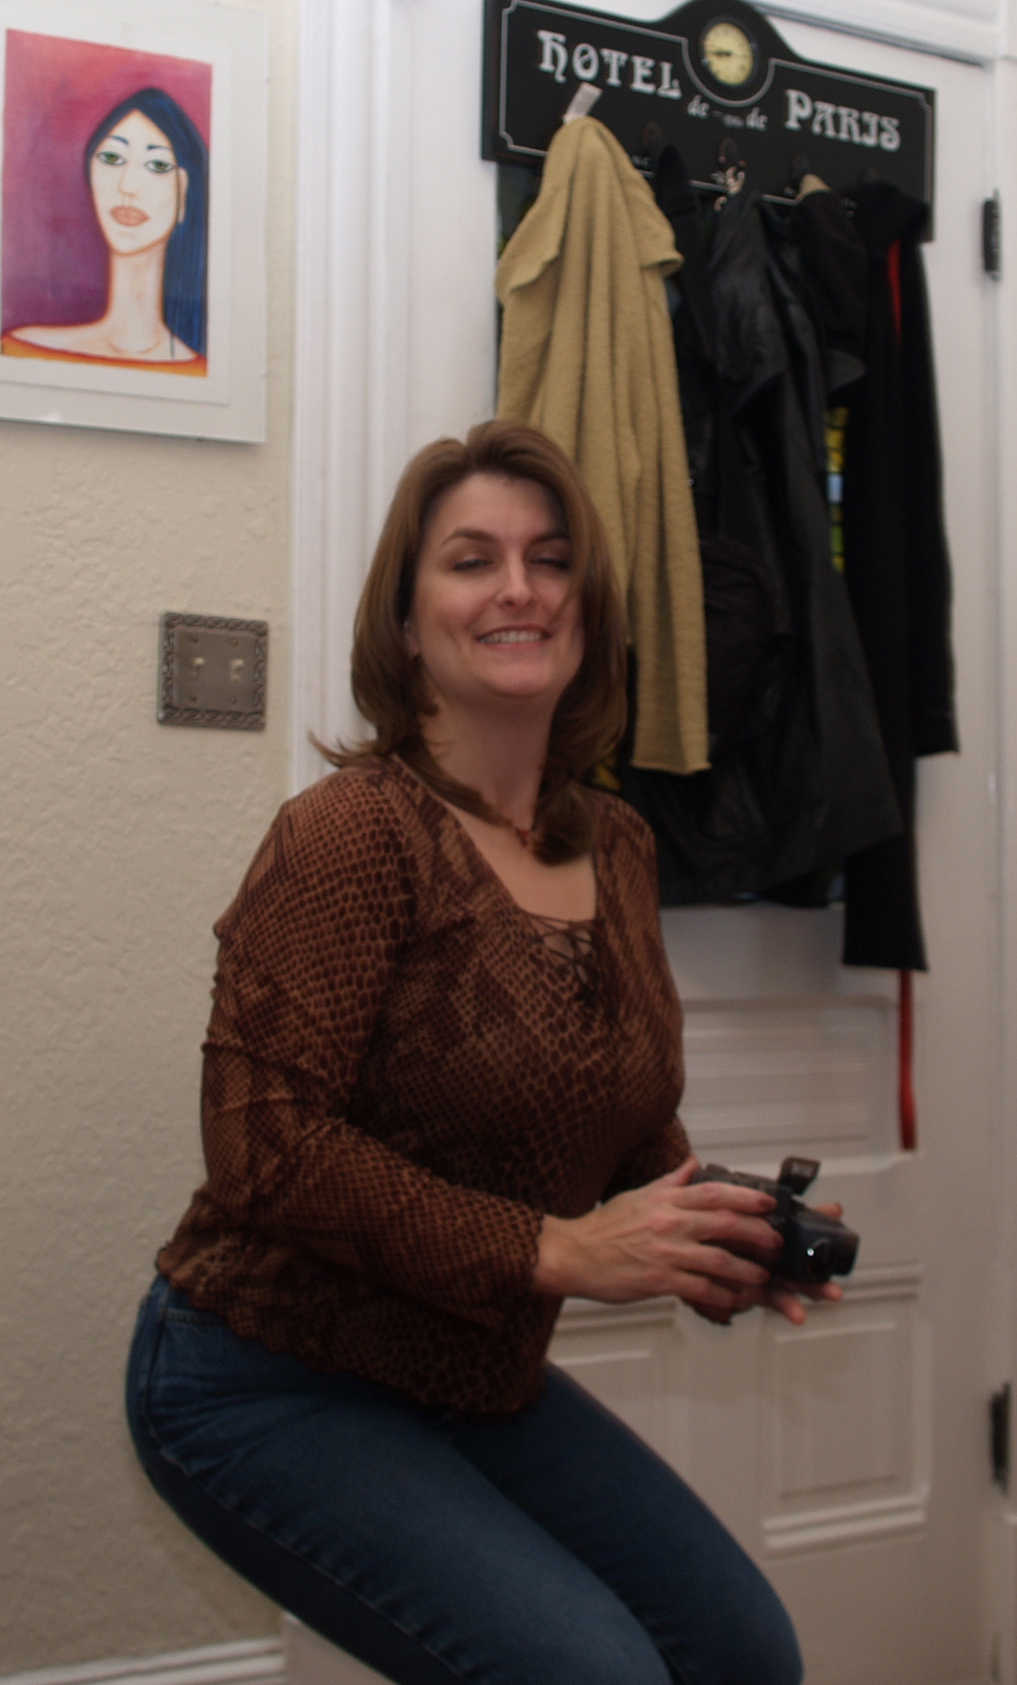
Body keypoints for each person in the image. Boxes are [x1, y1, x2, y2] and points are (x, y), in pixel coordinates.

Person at [125, 420, 827, 1685]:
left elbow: (620, 1118)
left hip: (475, 1375)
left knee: (743, 1652)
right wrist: (554, 1250)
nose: (519, 588)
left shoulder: (617, 844)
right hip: (265, 1375)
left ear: (586, 607)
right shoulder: (353, 835)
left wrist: (711, 1231)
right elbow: (261, 1150)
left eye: (551, 560)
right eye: (471, 560)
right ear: (406, 623)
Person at [4, 84, 209, 370]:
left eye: (158, 165)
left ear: (184, 191)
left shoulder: (200, 371)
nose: (127, 186)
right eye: (112, 158)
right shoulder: (19, 349)